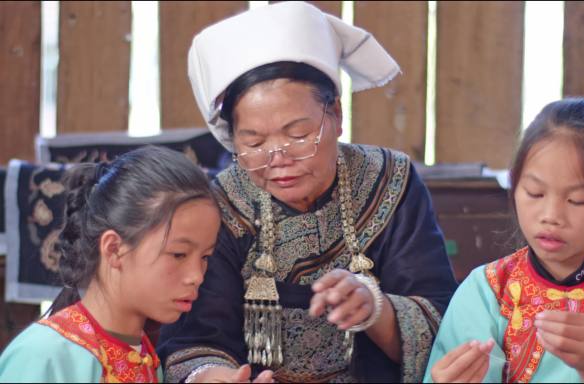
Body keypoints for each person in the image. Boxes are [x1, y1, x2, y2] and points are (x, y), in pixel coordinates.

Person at [156, 2, 457, 382]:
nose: (277, 160)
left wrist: (374, 310)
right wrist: (216, 378)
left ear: (336, 115)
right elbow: (192, 341)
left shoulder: (389, 180)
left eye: (297, 135)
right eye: (253, 142)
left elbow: (444, 324)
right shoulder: (220, 207)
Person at [424, 98, 584, 383]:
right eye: (535, 193)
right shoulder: (487, 292)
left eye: (577, 200)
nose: (551, 216)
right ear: (513, 185)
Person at [0, 146, 222, 383]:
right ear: (114, 249)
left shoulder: (145, 358)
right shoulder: (43, 357)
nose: (196, 276)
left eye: (205, 257)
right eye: (179, 254)